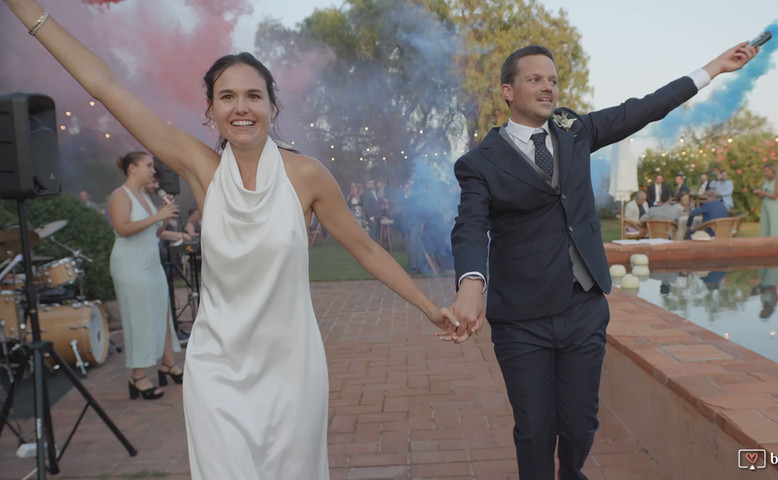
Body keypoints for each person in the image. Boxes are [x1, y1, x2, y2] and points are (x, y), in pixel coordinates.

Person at [4, 2, 461, 478]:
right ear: (211, 110)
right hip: (217, 369)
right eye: (227, 97)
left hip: (292, 370)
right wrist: (31, 14)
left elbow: (366, 249)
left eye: (253, 96)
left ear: (271, 106)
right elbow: (107, 86)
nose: (241, 107)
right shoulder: (202, 168)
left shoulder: (307, 176)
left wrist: (430, 308)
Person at [450, 41, 757, 479]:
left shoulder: (575, 129)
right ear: (507, 91)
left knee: (579, 426)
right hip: (522, 319)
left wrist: (712, 70)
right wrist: (470, 285)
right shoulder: (480, 162)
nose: (547, 88)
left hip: (583, 307)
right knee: (535, 430)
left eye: (552, 80)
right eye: (534, 79)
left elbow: (645, 108)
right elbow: (470, 226)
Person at [106, 152, 183, 400]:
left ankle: (168, 364)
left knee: (163, 311)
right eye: (148, 165)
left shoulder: (146, 196)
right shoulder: (120, 195)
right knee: (138, 318)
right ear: (132, 168)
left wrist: (164, 214)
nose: (153, 170)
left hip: (151, 262)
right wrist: (158, 216)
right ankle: (137, 376)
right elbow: (123, 228)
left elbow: (155, 230)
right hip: (130, 264)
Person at [753, 162, 778, 237]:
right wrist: (759, 194)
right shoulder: (766, 181)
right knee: (766, 224)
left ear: (772, 170)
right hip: (765, 206)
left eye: (766, 171)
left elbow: (775, 196)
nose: (765, 174)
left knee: (775, 225)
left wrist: (763, 192)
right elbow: (764, 194)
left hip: (774, 207)